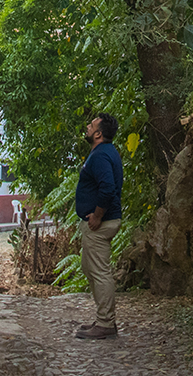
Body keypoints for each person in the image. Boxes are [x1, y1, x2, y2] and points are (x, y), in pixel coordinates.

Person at [74, 112, 124, 340]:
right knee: (90, 268)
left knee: (100, 272)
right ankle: (104, 318)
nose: (87, 126)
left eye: (91, 125)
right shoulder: (101, 153)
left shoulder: (101, 156)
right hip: (100, 222)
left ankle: (106, 323)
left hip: (100, 223)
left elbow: (107, 188)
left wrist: (97, 215)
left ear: (98, 133)